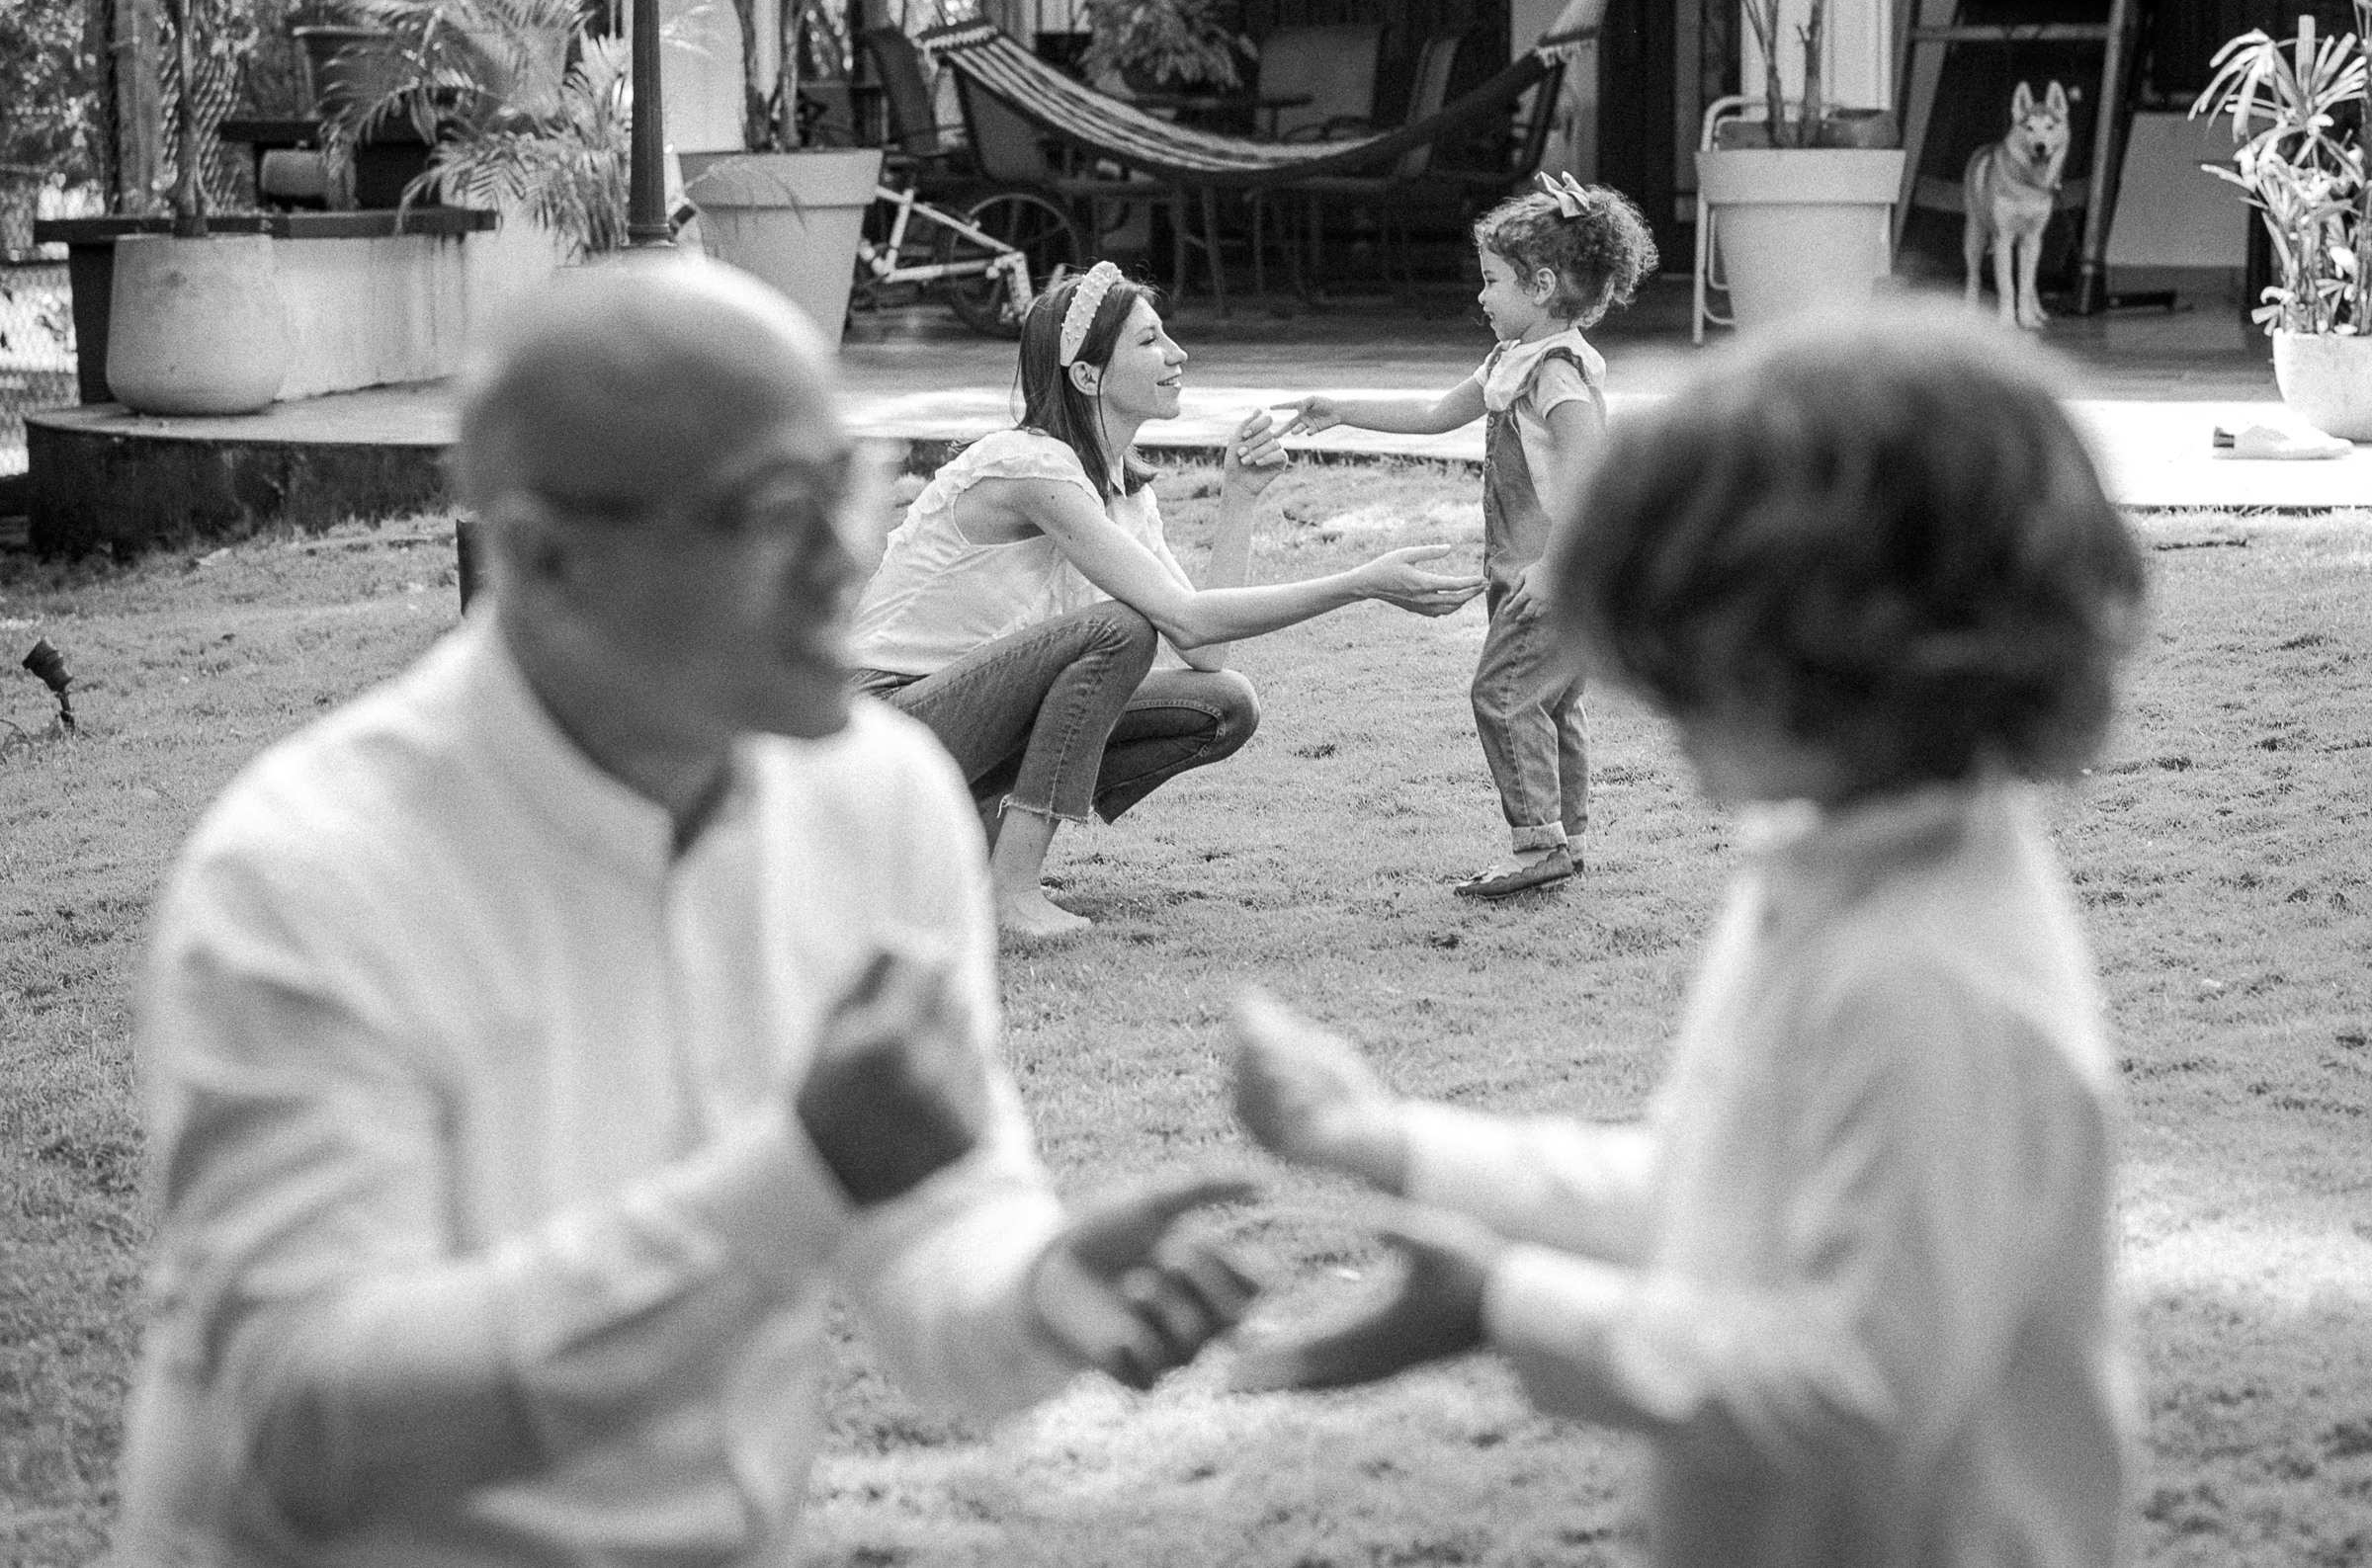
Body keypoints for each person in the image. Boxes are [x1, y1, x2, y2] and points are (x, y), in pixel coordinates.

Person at [116, 259, 1262, 1568]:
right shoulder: (309, 876)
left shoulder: (878, 798)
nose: (849, 557)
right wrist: (791, 1177)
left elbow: (941, 1244)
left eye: (847, 485)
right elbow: (306, 1414)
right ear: (545, 558)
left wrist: (1046, 1288)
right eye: (775, 510)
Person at [1230, 310, 2149, 1568]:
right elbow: (1724, 1187)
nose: (1647, 702)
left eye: (1684, 661)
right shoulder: (1826, 866)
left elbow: (1856, 1390)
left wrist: (1507, 1305)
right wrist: (1392, 1141)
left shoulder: (1932, 981)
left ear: (1839, 656)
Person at [850, 261, 1486, 941]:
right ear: (1089, 376)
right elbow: (1177, 620)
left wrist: (1238, 496)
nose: (1177, 355)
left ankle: (968, 848)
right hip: (879, 723)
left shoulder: (1125, 493)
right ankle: (1009, 892)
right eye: (1150, 341)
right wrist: (1360, 582)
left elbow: (1205, 651)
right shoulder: (1028, 466)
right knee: (1120, 630)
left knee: (1223, 704)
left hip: (961, 725)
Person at [1281, 173, 1657, 899]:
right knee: (1549, 704)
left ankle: (1538, 844)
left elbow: (1591, 472)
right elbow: (1433, 413)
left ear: (1541, 284)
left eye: (1492, 282)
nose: (1481, 297)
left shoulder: (1554, 373)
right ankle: (1566, 839)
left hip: (1550, 573)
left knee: (1502, 696)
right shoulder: (1508, 362)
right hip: (1529, 569)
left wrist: (1557, 566)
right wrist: (1344, 409)